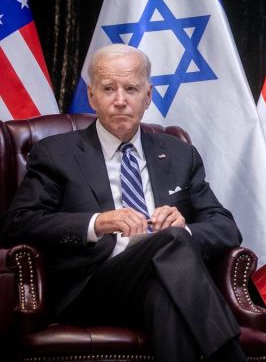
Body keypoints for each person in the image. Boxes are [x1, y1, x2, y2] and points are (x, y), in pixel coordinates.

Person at [0, 44, 247, 361]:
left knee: (166, 278)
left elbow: (226, 227)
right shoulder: (55, 153)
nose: (120, 100)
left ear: (148, 96)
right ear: (92, 96)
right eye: (108, 89)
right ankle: (230, 354)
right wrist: (96, 223)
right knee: (168, 244)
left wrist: (184, 229)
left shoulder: (179, 153)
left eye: (131, 89)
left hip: (162, 281)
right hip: (93, 289)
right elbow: (17, 222)